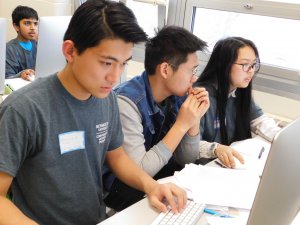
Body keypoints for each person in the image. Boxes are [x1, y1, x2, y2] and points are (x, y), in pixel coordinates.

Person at [0, 1, 187, 224]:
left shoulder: (107, 100)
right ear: (70, 51)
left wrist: (152, 186)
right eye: (107, 63)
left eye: (123, 64)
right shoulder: (23, 109)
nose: (115, 76)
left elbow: (117, 157)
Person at [103, 25, 210, 211]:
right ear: (166, 70)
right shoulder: (127, 102)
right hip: (121, 192)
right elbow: (140, 170)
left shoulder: (176, 95)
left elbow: (187, 159)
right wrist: (181, 125)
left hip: (156, 183)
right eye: (191, 71)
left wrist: (195, 120)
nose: (194, 78)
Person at [194, 37, 281, 168]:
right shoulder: (200, 95)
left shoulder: (239, 91)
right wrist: (216, 148)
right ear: (225, 64)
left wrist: (281, 137)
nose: (251, 70)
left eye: (253, 64)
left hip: (226, 166)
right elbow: (189, 146)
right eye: (245, 65)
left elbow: (261, 122)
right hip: (201, 169)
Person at [5, 5, 38, 80]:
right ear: (16, 26)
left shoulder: (38, 44)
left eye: (35, 23)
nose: (33, 28)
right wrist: (20, 75)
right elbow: (7, 78)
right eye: (27, 23)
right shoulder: (9, 49)